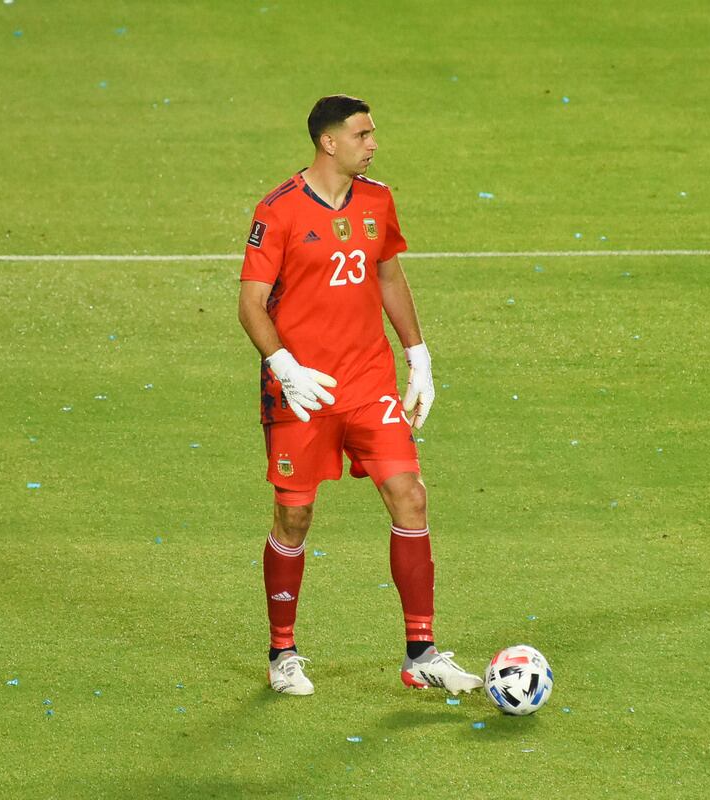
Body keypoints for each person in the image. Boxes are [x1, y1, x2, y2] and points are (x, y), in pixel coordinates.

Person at [237, 95, 483, 697]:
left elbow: (388, 275)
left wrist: (417, 356)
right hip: (304, 391)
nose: (373, 144)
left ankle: (421, 651)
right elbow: (250, 302)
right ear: (328, 142)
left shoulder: (378, 200)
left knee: (410, 497)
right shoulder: (280, 210)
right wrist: (284, 366)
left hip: (368, 381)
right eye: (363, 134)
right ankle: (282, 653)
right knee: (293, 516)